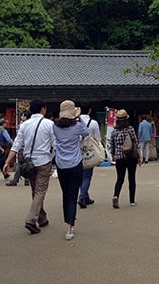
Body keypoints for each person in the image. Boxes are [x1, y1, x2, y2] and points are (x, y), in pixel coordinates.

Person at [3, 100, 56, 234]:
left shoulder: (24, 125)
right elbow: (55, 144)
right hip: (43, 161)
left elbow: (17, 144)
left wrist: (7, 162)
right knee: (40, 191)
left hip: (28, 162)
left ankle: (42, 218)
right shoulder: (49, 124)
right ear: (43, 109)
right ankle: (31, 219)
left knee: (35, 191)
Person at [53, 100, 90, 240]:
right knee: (73, 194)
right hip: (75, 163)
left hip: (61, 164)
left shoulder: (55, 127)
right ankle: (70, 227)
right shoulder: (78, 126)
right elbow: (86, 133)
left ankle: (68, 222)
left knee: (65, 194)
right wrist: (79, 118)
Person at [109, 109, 141, 208]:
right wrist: (140, 156)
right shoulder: (130, 129)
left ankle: (116, 196)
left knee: (120, 179)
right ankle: (132, 201)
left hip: (119, 158)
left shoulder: (114, 131)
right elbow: (135, 142)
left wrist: (113, 155)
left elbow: (112, 145)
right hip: (131, 156)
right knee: (131, 178)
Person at [78, 101, 101, 208]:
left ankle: (86, 197)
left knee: (80, 176)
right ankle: (82, 196)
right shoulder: (94, 123)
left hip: (77, 152)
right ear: (89, 110)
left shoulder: (75, 122)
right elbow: (98, 139)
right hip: (89, 151)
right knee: (87, 176)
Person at [6, 110, 31, 187]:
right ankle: (27, 179)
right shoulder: (33, 124)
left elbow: (19, 138)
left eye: (22, 115)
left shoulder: (22, 125)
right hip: (30, 148)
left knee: (19, 164)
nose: (21, 117)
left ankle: (15, 180)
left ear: (25, 116)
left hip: (22, 147)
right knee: (27, 163)